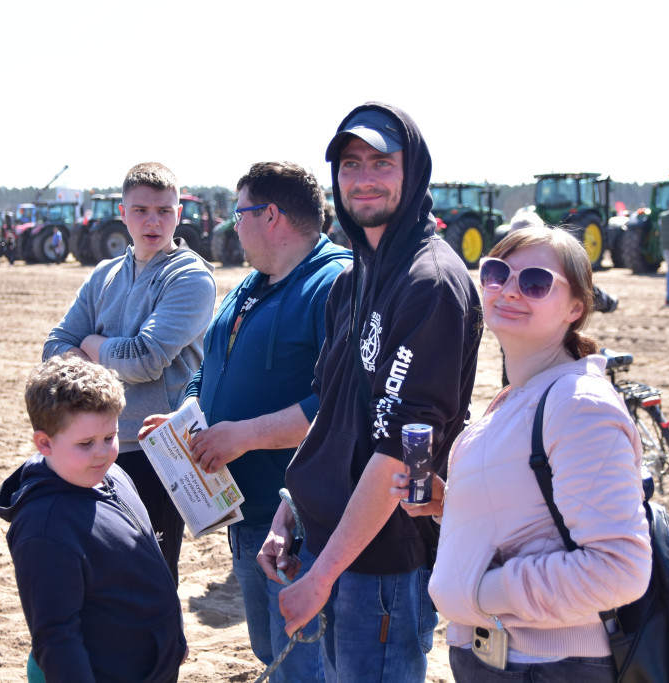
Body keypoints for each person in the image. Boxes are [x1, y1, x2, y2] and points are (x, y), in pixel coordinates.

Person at [259, 103, 483, 682]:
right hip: (329, 545)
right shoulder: (352, 279)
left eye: (382, 162)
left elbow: (403, 451)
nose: (363, 178)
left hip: (381, 565)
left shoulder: (430, 285)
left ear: (414, 172)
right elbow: (331, 413)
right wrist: (290, 510)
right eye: (350, 164)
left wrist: (321, 577)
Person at [390, 226, 651, 681]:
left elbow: (619, 569)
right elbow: (534, 520)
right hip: (502, 658)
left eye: (535, 282)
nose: (509, 290)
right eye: (497, 274)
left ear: (575, 308)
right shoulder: (524, 394)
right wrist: (451, 505)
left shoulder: (579, 404)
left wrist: (480, 593)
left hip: (547, 666)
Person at [142, 161, 350, 681]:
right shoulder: (253, 283)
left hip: (298, 522)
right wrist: (187, 416)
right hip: (244, 513)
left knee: (303, 666)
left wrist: (244, 436)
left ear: (271, 215)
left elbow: (339, 407)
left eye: (240, 214)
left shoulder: (336, 284)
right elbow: (211, 366)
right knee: (271, 653)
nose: (233, 226)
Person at [43, 162, 216, 581]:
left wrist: (91, 344)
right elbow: (54, 346)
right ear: (122, 213)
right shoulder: (104, 275)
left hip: (155, 452)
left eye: (164, 211)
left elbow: (143, 360)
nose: (153, 221)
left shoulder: (190, 277)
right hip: (91, 446)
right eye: (140, 210)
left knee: (148, 579)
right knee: (94, 573)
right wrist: (99, 355)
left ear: (179, 213)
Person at [0, 355, 187, 683]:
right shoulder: (45, 529)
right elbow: (57, 638)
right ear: (45, 443)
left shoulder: (114, 475)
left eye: (110, 437)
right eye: (85, 443)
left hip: (152, 665)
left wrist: (173, 638)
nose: (102, 453)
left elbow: (154, 562)